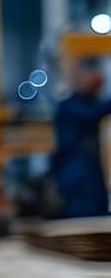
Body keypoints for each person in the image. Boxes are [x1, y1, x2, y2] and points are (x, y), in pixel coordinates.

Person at [51, 58, 111, 220]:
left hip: (90, 176)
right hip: (76, 177)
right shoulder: (70, 107)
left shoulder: (91, 104)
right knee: (80, 222)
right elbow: (90, 114)